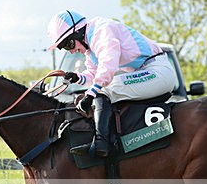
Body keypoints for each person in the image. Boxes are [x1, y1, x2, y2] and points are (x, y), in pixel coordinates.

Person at [46, 10, 177, 157]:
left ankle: (101, 144)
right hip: (146, 71)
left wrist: (90, 94)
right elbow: (93, 74)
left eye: (69, 44)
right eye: (65, 48)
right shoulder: (90, 46)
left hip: (158, 72)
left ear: (78, 32)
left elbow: (108, 66)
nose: (70, 52)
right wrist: (77, 77)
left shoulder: (102, 30)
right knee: (103, 88)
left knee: (105, 89)